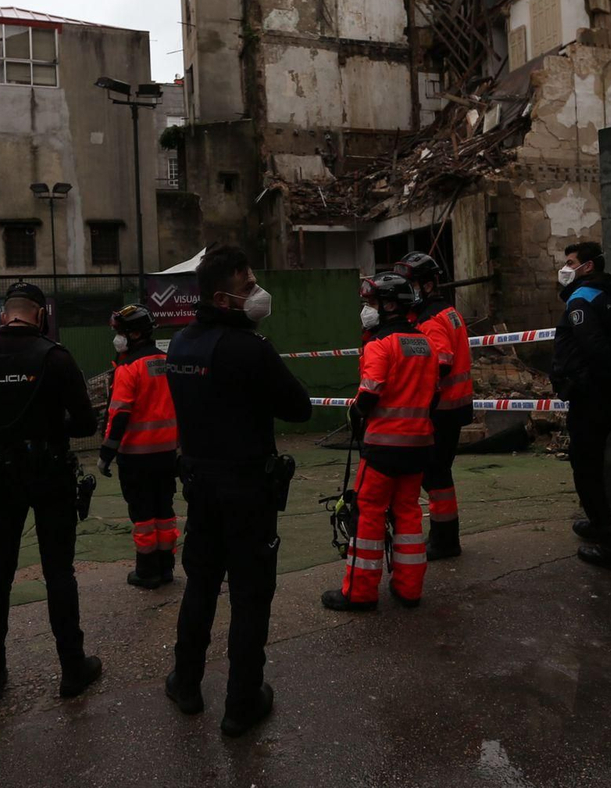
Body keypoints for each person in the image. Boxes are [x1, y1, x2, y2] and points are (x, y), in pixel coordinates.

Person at [162, 245, 310, 737]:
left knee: (201, 584)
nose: (258, 295)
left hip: (200, 488)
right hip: (247, 490)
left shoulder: (181, 345)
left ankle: (186, 684)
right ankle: (242, 702)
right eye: (249, 287)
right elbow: (299, 408)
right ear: (224, 298)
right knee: (250, 595)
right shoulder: (250, 348)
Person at [0, 282, 102, 706]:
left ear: (5, 315)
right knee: (59, 572)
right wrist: (47, 426)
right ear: (40, 315)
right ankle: (72, 670)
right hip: (49, 474)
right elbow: (84, 425)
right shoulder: (55, 357)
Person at [322, 273, 438, 612]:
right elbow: (434, 394)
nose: (366, 310)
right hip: (419, 446)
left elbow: (369, 393)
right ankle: (409, 588)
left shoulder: (380, 345)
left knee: (369, 514)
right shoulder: (426, 344)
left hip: (384, 448)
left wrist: (356, 412)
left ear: (387, 306)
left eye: (371, 304)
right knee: (408, 513)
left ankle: (359, 593)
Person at [550, 241, 611, 573]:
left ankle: (607, 543)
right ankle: (596, 524)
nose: (565, 269)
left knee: (585, 465)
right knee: (590, 460)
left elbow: (593, 349)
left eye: (570, 262)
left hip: (592, 394)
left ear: (588, 266)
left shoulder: (582, 299)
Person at [392, 251, 473, 560]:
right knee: (439, 473)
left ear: (425, 285)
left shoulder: (430, 319)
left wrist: (413, 389)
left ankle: (445, 539)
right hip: (454, 405)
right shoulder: (447, 311)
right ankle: (445, 535)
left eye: (408, 283)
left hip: (441, 408)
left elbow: (440, 360)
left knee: (434, 475)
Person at [98, 304, 180, 589]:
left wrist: (106, 454)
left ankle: (147, 572)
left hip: (136, 456)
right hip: (168, 452)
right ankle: (166, 567)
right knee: (165, 510)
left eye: (119, 333)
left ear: (132, 334)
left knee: (143, 515)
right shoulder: (168, 361)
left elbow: (119, 414)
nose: (117, 338)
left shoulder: (128, 367)